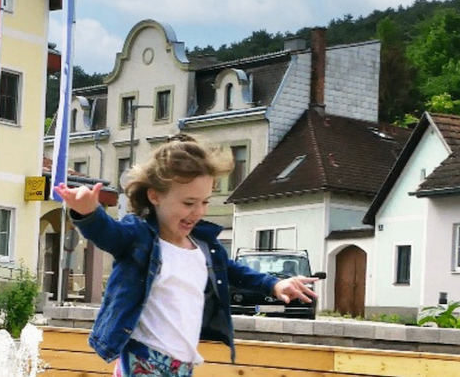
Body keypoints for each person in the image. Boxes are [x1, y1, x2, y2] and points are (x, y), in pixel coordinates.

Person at [54, 134, 317, 377]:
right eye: (189, 203)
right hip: (142, 360)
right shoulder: (139, 237)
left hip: (182, 367)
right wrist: (89, 213)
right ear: (155, 196)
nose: (198, 212)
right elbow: (109, 234)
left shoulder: (203, 245)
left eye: (205, 202)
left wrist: (274, 284)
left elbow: (234, 271)